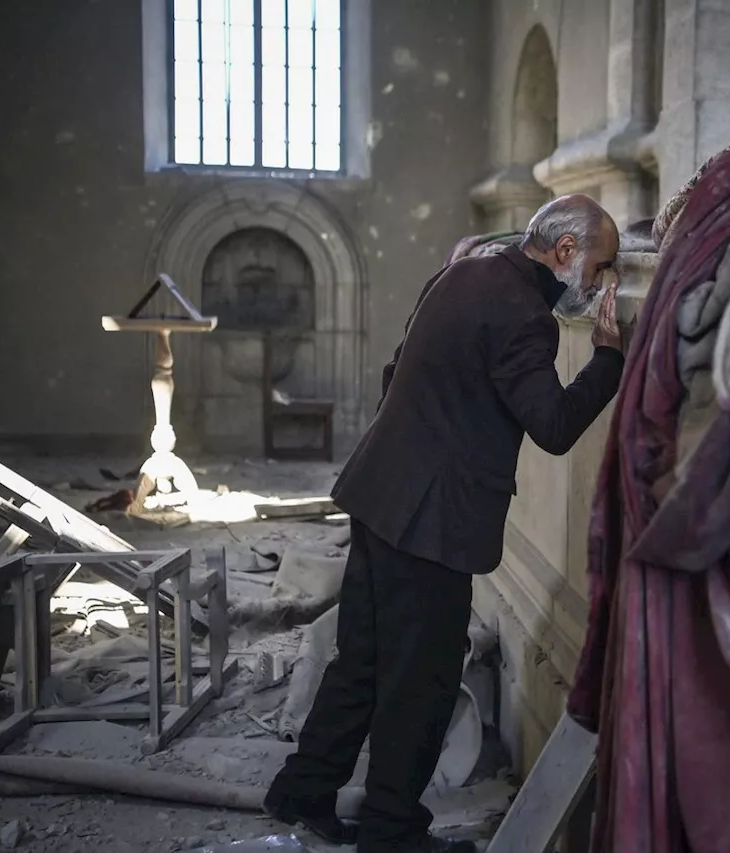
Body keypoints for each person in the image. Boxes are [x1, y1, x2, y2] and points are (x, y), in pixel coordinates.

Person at [263, 194, 626, 852]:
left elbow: (394, 369)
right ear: (566, 252)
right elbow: (553, 424)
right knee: (422, 682)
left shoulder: (464, 271)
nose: (600, 285)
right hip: (431, 522)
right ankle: (391, 829)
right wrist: (607, 357)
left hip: (381, 492)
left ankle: (302, 790)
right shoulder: (525, 314)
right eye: (600, 268)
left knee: (363, 661)